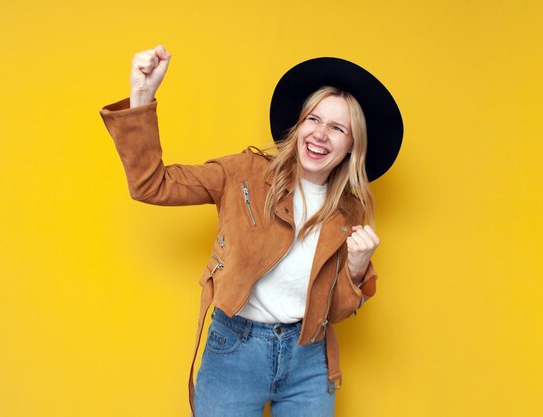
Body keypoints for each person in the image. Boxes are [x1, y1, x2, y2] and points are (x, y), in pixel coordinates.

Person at [100, 45, 403, 417]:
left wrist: (357, 269)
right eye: (314, 119)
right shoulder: (243, 173)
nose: (321, 134)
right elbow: (152, 185)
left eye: (338, 128)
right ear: (299, 124)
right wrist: (142, 95)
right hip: (235, 350)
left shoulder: (348, 211)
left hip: (308, 359)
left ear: (352, 145)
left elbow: (334, 312)